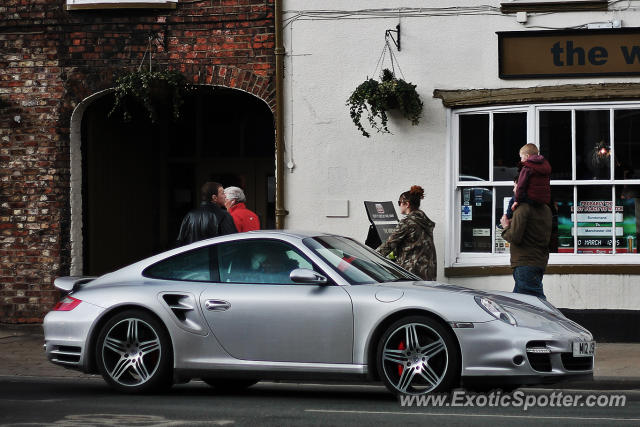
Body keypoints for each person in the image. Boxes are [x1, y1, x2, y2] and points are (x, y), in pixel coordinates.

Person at [500, 179, 552, 300]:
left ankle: (553, 319)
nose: (513, 190)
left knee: (536, 304)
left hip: (525, 263)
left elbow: (514, 237)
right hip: (538, 261)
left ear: (523, 188)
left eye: (515, 187)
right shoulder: (546, 208)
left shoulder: (523, 209)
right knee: (518, 303)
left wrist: (505, 226)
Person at [377, 185, 437, 281]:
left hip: (410, 273)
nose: (399, 205)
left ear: (407, 204)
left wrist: (370, 259)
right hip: (427, 272)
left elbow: (388, 246)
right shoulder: (425, 221)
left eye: (399, 202)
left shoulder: (407, 223)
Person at [176, 182, 237, 246]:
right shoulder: (224, 215)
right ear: (214, 198)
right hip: (216, 255)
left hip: (195, 255)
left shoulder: (190, 216)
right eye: (222, 193)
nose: (225, 196)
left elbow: (180, 242)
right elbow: (232, 243)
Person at [510, 143, 551, 214]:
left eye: (521, 157)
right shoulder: (545, 166)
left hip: (532, 199)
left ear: (527, 156)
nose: (521, 160)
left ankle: (505, 221)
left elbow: (521, 186)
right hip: (543, 199)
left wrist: (517, 200)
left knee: (512, 200)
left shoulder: (527, 167)